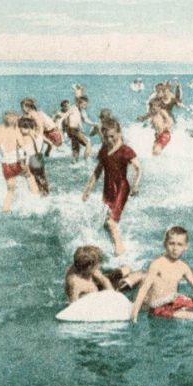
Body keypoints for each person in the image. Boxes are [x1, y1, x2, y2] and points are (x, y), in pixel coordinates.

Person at [82, 120, 141, 257]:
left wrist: (135, 184)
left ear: (119, 133)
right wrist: (88, 189)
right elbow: (97, 171)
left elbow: (138, 168)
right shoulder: (104, 150)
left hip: (121, 188)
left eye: (112, 136)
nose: (109, 140)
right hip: (108, 189)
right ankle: (118, 245)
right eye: (106, 136)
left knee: (110, 221)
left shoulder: (125, 150)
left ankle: (120, 252)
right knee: (106, 224)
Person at [65, 245, 144, 304]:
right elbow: (113, 298)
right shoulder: (75, 284)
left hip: (97, 283)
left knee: (126, 269)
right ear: (90, 267)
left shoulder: (81, 266)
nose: (100, 265)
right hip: (102, 293)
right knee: (139, 276)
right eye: (98, 264)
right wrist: (103, 280)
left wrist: (101, 278)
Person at [0, 111, 39, 211]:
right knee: (30, 177)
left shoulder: (0, 133)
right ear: (16, 123)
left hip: (5, 165)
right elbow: (23, 146)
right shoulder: (16, 132)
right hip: (16, 163)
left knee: (10, 190)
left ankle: (5, 209)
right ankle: (37, 200)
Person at [19, 117, 50, 196]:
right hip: (39, 160)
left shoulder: (24, 138)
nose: (19, 130)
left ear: (26, 128)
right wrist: (47, 151)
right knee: (42, 178)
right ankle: (46, 194)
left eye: (20, 127)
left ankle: (36, 196)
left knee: (33, 180)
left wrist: (23, 165)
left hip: (31, 162)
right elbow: (49, 144)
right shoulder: (39, 136)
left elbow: (24, 153)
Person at [64, 95, 93, 161]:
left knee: (76, 148)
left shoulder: (78, 109)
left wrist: (93, 124)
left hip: (72, 130)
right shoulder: (73, 108)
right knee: (88, 143)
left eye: (86, 105)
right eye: (84, 104)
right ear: (79, 103)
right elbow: (65, 116)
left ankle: (74, 162)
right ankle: (87, 161)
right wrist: (65, 129)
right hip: (74, 130)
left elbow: (82, 120)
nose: (85, 106)